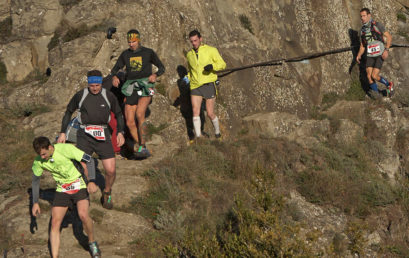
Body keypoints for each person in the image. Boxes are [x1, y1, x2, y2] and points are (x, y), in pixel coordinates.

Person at [57, 70, 125, 209]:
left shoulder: (108, 95)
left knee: (111, 170)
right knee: (82, 167)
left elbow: (118, 113)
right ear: (88, 84)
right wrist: (63, 132)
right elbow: (68, 111)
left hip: (103, 133)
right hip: (85, 134)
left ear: (101, 83)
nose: (94, 88)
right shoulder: (81, 95)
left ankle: (107, 192)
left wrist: (120, 132)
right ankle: (82, 192)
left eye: (97, 85)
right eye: (92, 85)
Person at [31, 136, 101, 258]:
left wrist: (92, 181)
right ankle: (55, 256)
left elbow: (88, 159)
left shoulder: (65, 149)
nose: (42, 157)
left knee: (83, 215)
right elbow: (35, 181)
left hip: (78, 184)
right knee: (54, 222)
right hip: (62, 189)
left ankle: (92, 242)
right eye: (40, 155)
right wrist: (35, 202)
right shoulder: (38, 161)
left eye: (44, 154)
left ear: (50, 147)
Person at [110, 29, 165, 158]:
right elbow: (115, 69)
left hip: (146, 85)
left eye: (133, 41)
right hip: (131, 87)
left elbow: (162, 67)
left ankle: (142, 146)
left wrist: (155, 75)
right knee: (129, 121)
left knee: (140, 113)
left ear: (138, 40)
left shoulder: (148, 52)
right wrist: (115, 77)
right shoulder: (125, 54)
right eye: (129, 42)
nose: (131, 44)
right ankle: (143, 146)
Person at [186, 29, 226, 140]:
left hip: (208, 84)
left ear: (200, 39)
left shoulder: (211, 50)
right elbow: (191, 71)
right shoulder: (189, 55)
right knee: (195, 111)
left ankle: (217, 133)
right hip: (195, 85)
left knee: (210, 113)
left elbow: (222, 64)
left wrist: (212, 67)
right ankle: (198, 137)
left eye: (195, 40)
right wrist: (186, 78)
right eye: (191, 41)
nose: (194, 43)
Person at [356, 8, 394, 98]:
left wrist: (386, 50)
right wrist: (358, 55)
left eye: (364, 16)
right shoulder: (362, 30)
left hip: (379, 54)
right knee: (369, 76)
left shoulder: (377, 25)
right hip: (370, 55)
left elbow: (389, 37)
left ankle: (389, 84)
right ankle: (377, 96)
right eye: (361, 16)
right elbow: (362, 45)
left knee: (374, 75)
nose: (362, 18)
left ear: (369, 15)